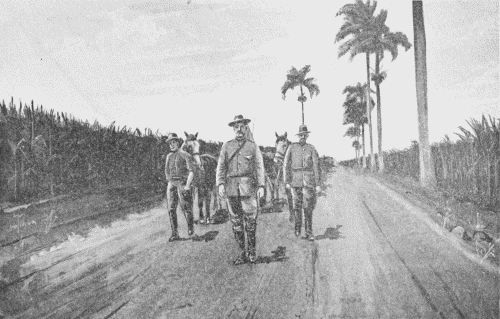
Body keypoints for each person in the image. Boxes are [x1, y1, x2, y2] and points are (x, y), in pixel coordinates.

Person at [216, 115, 265, 264]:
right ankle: (242, 253)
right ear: (233, 129)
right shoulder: (227, 146)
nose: (239, 129)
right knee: (236, 222)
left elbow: (259, 167)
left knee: (250, 221)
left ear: (246, 128)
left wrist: (261, 185)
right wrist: (220, 183)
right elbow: (221, 166)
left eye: (242, 126)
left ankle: (252, 252)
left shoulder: (252, 146)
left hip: (248, 188)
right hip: (231, 188)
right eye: (236, 126)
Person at [283, 125, 321, 241]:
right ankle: (297, 228)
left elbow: (316, 166)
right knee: (296, 207)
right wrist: (287, 181)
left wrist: (318, 184)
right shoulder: (292, 148)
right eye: (300, 135)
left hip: (308, 182)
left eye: (304, 135)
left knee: (308, 207)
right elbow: (286, 165)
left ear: (307, 136)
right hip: (295, 181)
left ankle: (309, 232)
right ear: (298, 136)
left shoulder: (312, 149)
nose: (302, 137)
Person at [164, 132, 196, 241]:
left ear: (178, 143)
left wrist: (187, 185)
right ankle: (175, 233)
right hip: (171, 184)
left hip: (183, 183)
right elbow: (166, 172)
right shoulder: (168, 156)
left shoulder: (185, 155)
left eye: (174, 142)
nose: (172, 145)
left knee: (186, 208)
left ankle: (191, 227)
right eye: (170, 143)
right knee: (171, 209)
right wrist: (170, 182)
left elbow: (191, 171)